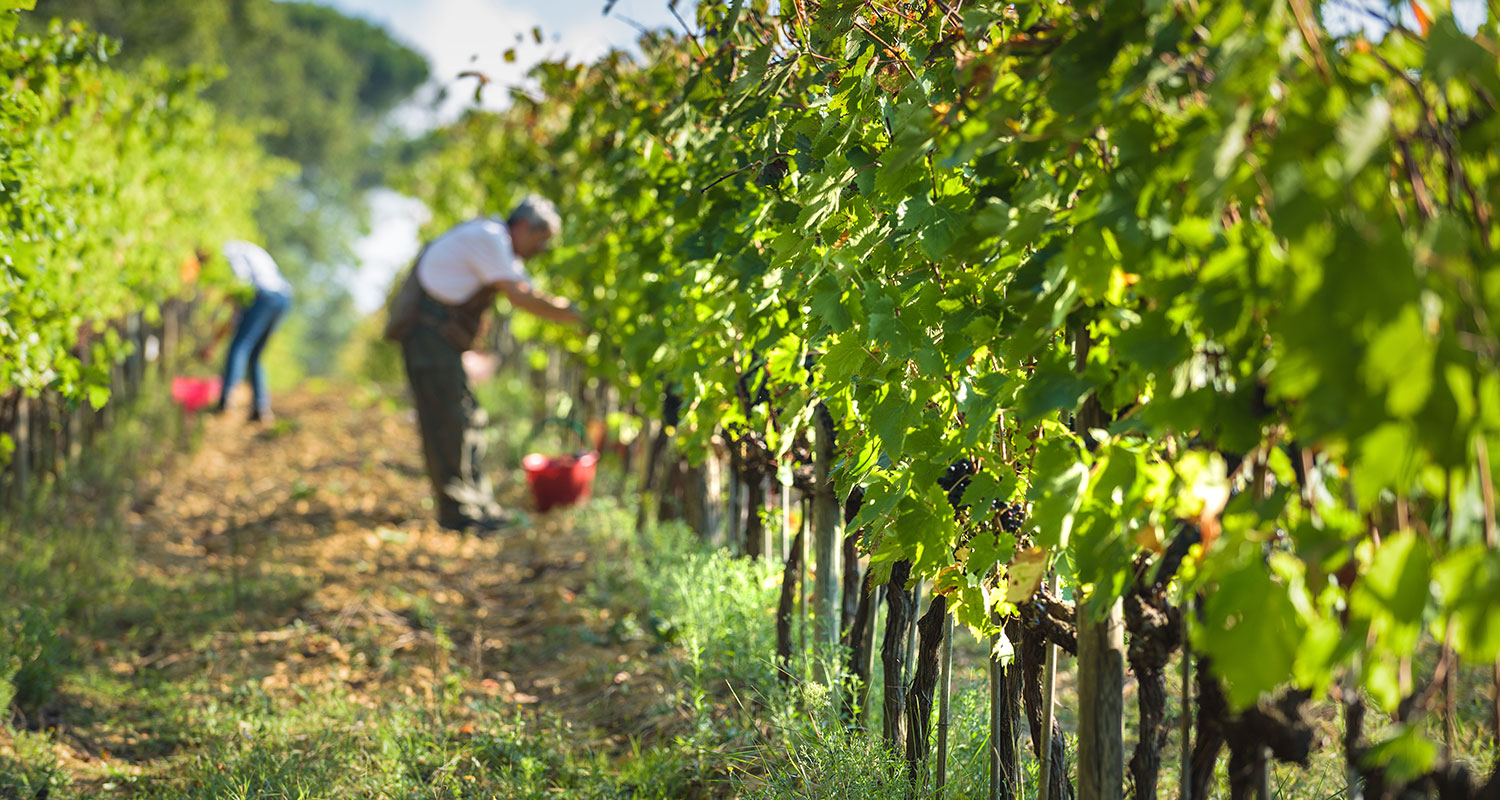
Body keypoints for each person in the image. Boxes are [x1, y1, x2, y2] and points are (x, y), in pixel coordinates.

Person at [389, 195, 581, 532]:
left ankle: (477, 505)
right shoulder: (491, 239)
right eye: (542, 238)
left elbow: (525, 290)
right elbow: (522, 296)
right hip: (428, 337)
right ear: (522, 226)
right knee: (449, 421)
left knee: (468, 417)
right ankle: (459, 514)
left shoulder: (501, 249)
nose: (544, 248)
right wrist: (578, 315)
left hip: (440, 338)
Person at [205, 240, 294, 423]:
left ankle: (226, 401)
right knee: (255, 354)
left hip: (263, 296)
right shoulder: (244, 248)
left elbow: (242, 286)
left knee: (239, 346)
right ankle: (260, 408)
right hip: (282, 297)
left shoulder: (228, 251)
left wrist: (225, 304)